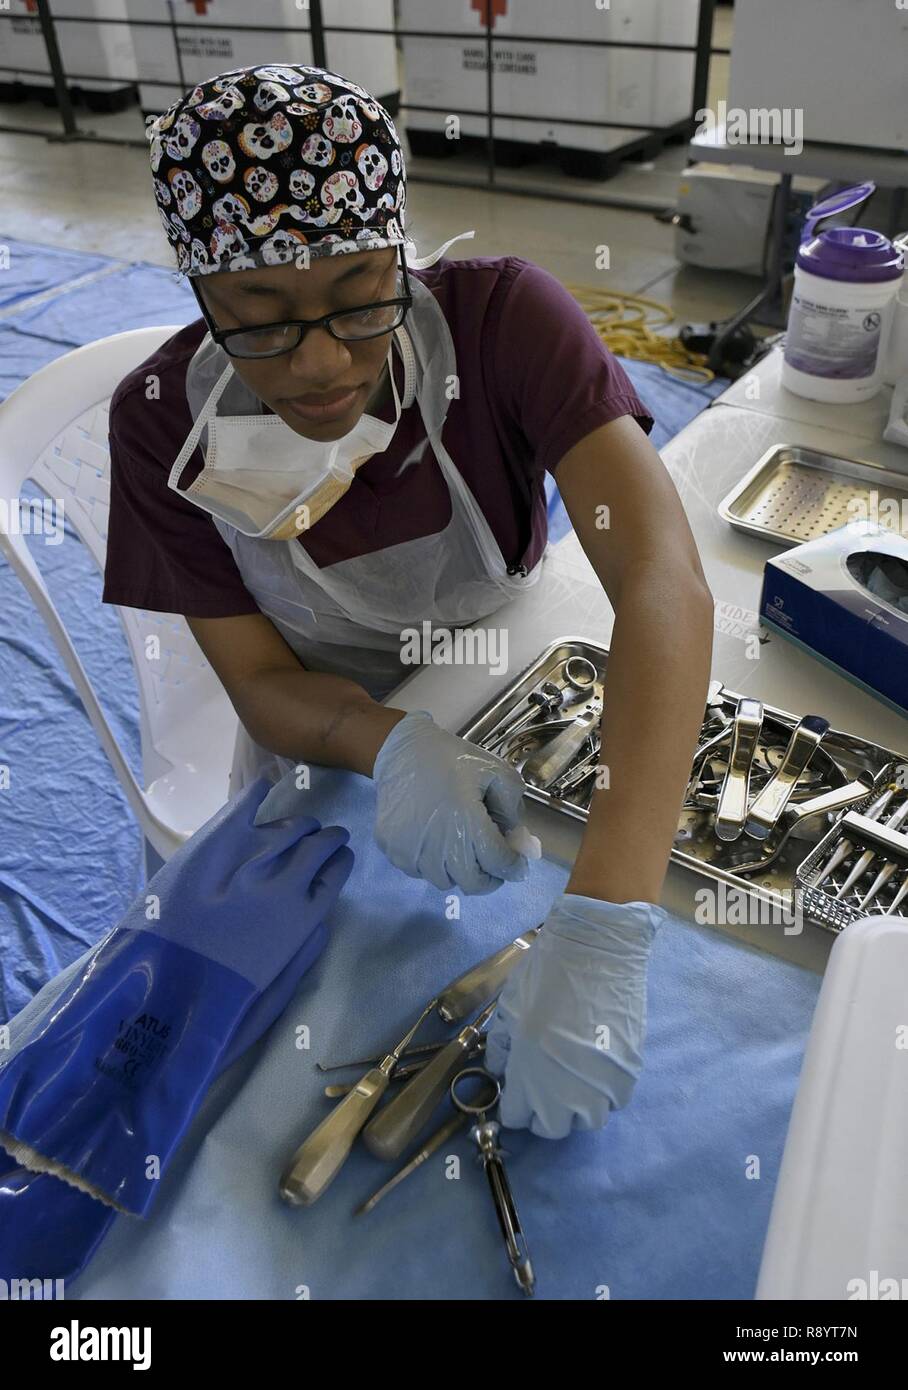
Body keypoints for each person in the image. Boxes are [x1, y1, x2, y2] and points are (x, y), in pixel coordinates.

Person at [103, 62, 714, 1137]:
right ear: (199, 288)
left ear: (400, 247)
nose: (324, 362)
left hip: (515, 688)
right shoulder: (160, 421)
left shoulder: (502, 324)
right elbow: (257, 680)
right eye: (262, 318)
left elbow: (661, 579)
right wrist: (386, 744)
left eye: (358, 299)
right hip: (329, 752)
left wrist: (605, 923)